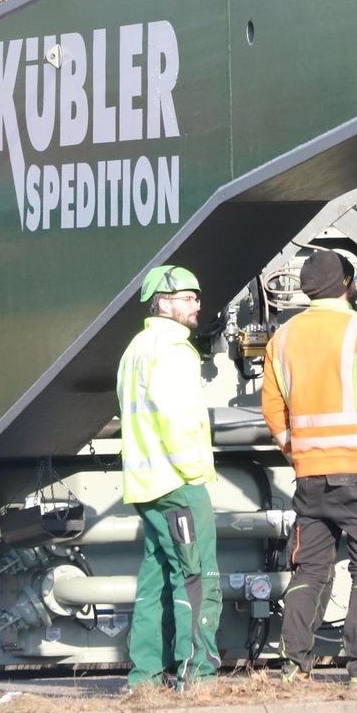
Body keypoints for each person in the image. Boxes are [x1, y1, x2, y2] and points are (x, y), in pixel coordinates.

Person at [261, 249, 357, 696]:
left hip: (310, 479)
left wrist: (299, 452)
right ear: (348, 284)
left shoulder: (282, 338)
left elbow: (273, 410)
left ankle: (294, 667)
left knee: (309, 571)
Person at [116, 264, 222, 690]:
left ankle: (144, 677)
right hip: (178, 484)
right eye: (187, 297)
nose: (197, 304)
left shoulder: (136, 348)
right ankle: (198, 676)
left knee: (156, 578)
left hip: (147, 485)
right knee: (197, 578)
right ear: (163, 302)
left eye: (197, 297)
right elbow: (175, 418)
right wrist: (194, 472)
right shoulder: (174, 349)